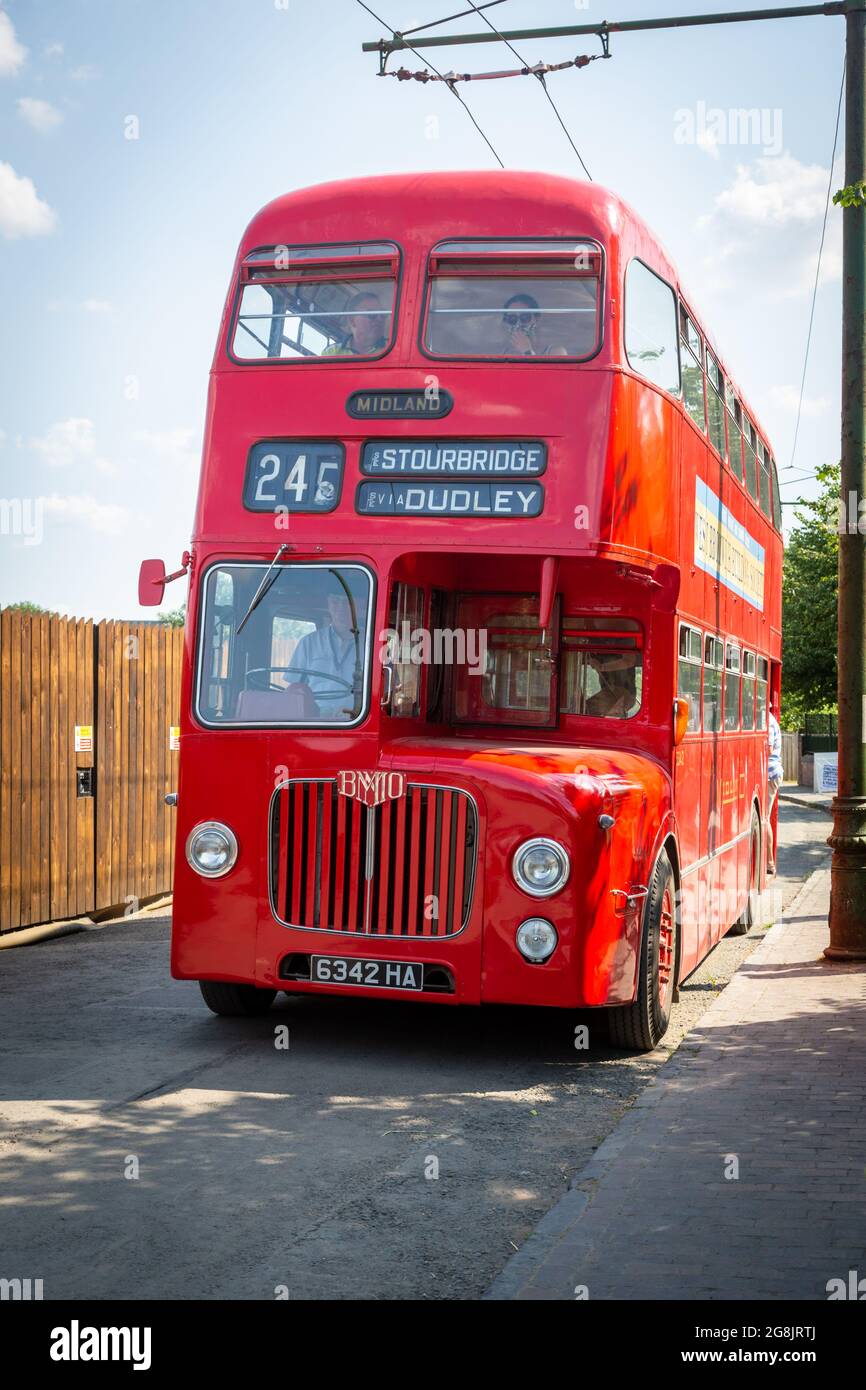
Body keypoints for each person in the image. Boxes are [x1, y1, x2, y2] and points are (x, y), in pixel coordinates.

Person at [287, 580, 363, 710]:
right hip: (316, 720)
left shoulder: (372, 644)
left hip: (359, 719)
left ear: (358, 605)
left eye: (346, 602)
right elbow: (294, 689)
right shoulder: (308, 643)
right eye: (335, 601)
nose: (340, 609)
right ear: (328, 604)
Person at [322, 291, 388, 357]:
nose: (379, 319)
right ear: (352, 320)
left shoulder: (393, 349)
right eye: (372, 314)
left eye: (383, 315)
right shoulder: (332, 353)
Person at [501, 293, 568, 358]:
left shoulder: (555, 352)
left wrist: (527, 351)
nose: (518, 324)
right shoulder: (506, 353)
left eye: (525, 317)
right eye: (512, 319)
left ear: (536, 319)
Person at [584, 649, 640, 718]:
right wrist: (601, 667)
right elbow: (629, 661)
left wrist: (599, 665)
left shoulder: (624, 697)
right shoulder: (628, 699)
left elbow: (629, 660)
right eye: (616, 713)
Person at [767, 701, 782, 875]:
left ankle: (770, 863)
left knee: (763, 819)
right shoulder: (770, 720)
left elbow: (768, 749)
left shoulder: (769, 722)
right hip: (771, 773)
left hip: (770, 774)